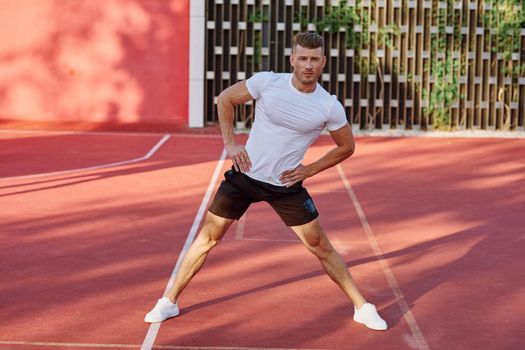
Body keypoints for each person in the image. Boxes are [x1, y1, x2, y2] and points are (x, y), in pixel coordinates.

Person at [145, 32, 387, 331]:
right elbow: (225, 99)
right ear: (292, 59)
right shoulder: (267, 82)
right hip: (245, 176)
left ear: (323, 62)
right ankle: (169, 301)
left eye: (314, 59)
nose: (307, 65)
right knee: (208, 238)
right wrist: (231, 144)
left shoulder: (328, 106)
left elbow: (346, 147)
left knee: (319, 245)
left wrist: (309, 170)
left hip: (285, 185)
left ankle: (362, 307)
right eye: (302, 58)